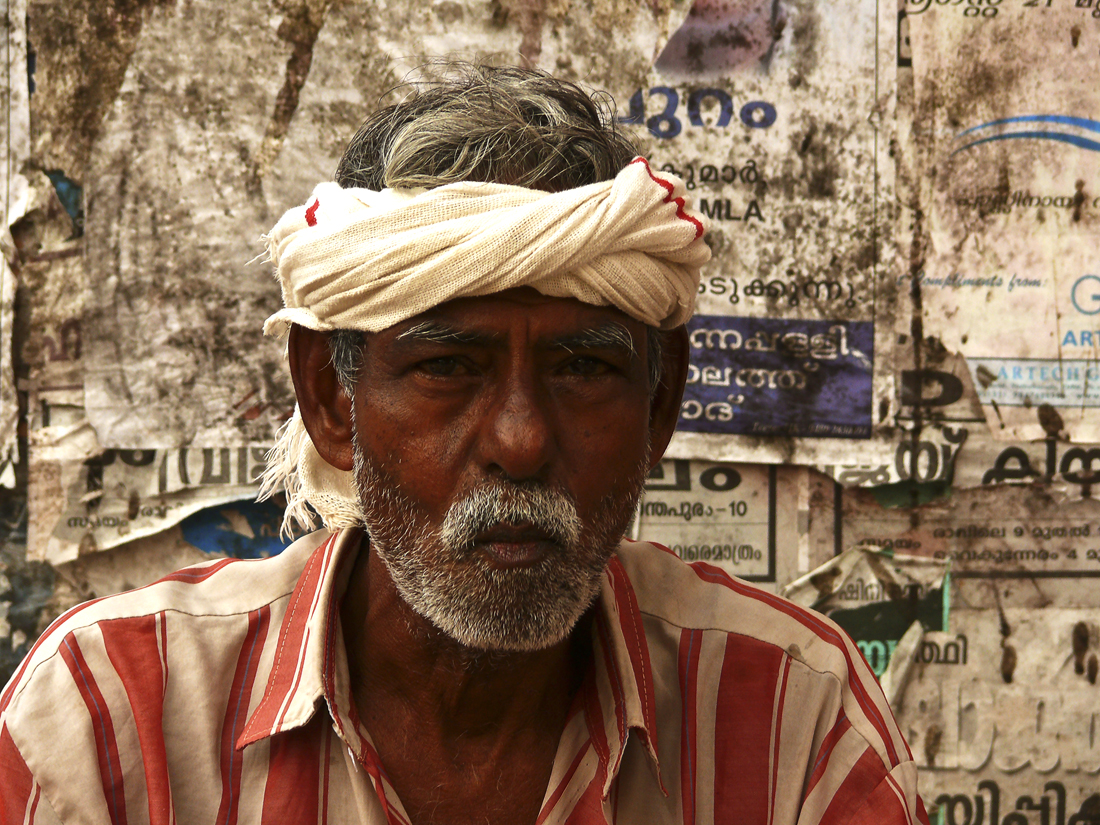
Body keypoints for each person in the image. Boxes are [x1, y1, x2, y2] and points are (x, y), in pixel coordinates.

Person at [0, 64, 930, 825]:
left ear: (660, 408)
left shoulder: (792, 719)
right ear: (331, 396)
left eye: (582, 369)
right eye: (448, 366)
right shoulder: (109, 718)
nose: (521, 442)